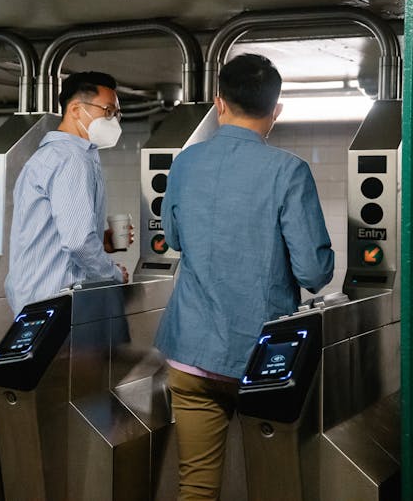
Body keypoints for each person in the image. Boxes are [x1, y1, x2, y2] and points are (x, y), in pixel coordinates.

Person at [154, 54, 334, 500]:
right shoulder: (288, 171)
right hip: (261, 357)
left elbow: (173, 239)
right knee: (274, 483)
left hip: (190, 353)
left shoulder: (186, 163)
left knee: (195, 487)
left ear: (219, 103)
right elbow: (314, 272)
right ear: (276, 110)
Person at [4, 71, 131, 315]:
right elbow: (78, 241)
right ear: (75, 110)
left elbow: (66, 233)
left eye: (117, 114)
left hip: (36, 297)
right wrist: (112, 274)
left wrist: (99, 242)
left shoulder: (53, 155)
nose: (114, 120)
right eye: (108, 111)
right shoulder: (70, 159)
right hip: (54, 299)